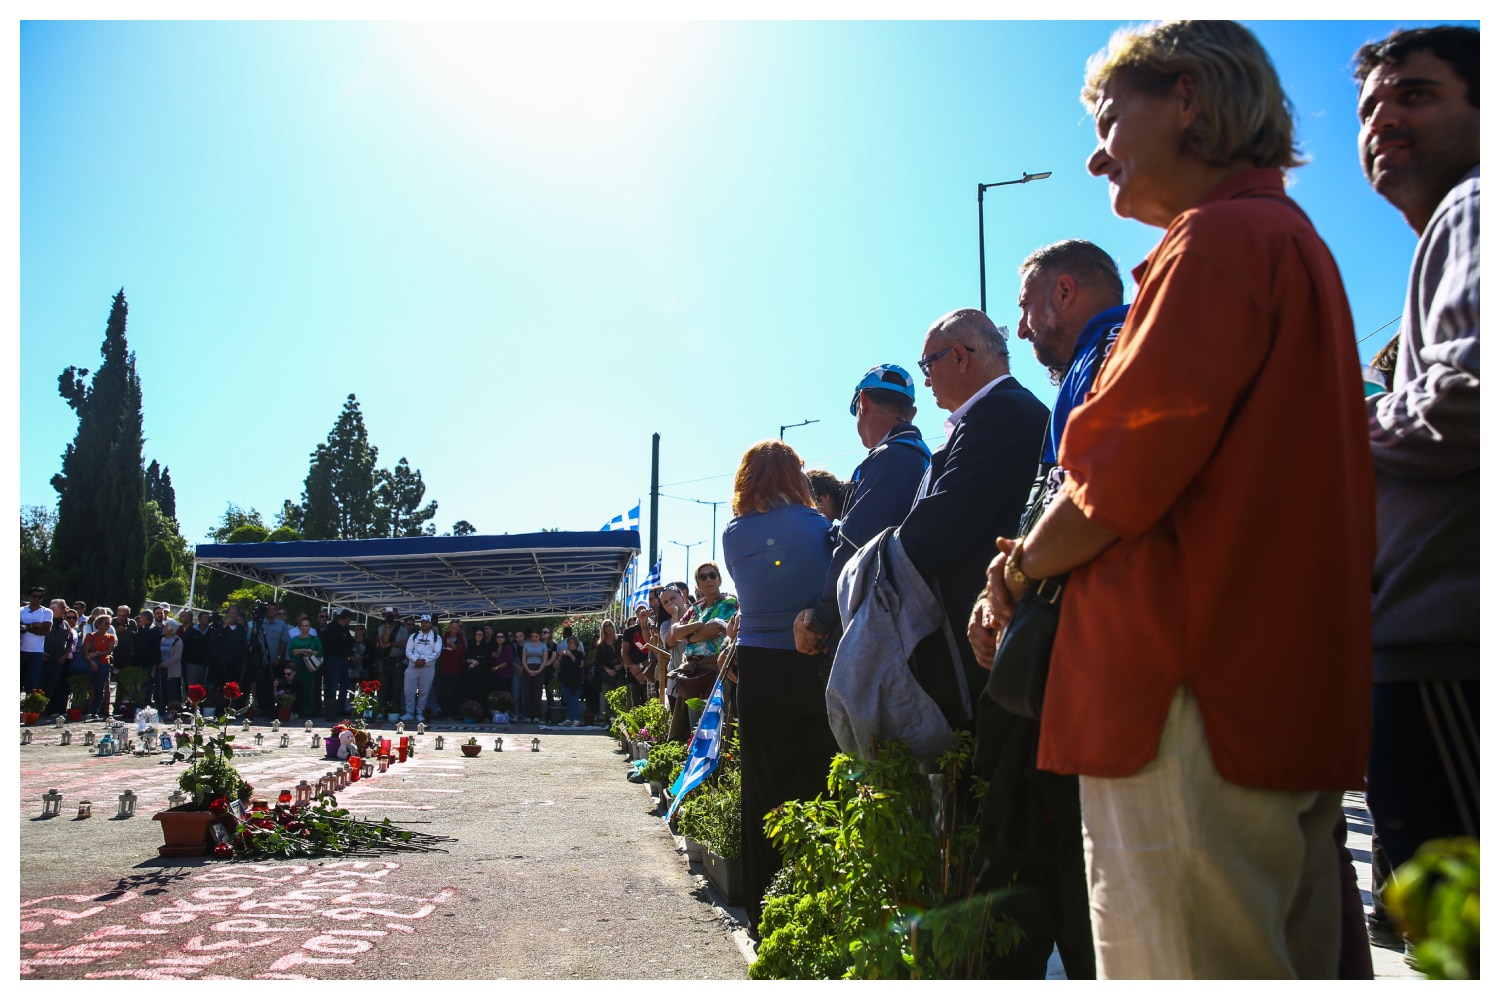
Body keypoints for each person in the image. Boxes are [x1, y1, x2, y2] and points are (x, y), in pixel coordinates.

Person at [985, 21, 1373, 979]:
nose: (1095, 149)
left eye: (1113, 117)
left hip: (1182, 703)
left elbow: (1113, 485)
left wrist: (1018, 566)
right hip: (1264, 697)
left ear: (1188, 99)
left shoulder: (1216, 243)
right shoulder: (1291, 243)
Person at [962, 238, 1128, 981]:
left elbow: (1093, 495)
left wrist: (1015, 574)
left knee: (1096, 894)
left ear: (1065, 292)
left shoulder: (1114, 349)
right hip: (1070, 672)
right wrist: (999, 582)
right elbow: (1050, 503)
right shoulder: (1088, 368)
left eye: (1026, 310)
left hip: (1107, 674)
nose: (1022, 331)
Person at [1354, 25, 1480, 875]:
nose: (1385, 121)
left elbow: (1470, 393)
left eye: (1418, 95)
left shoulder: (1473, 206)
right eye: (1370, 108)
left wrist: (1332, 436)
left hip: (1451, 645)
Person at [901, 308, 1049, 714]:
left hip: (987, 646)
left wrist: (877, 557)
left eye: (927, 364)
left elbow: (944, 524)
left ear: (960, 357)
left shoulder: (999, 412)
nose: (926, 379)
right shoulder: (1002, 410)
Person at [721, 439, 836, 936]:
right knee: (816, 784)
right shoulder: (824, 529)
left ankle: (763, 916)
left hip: (759, 666)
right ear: (796, 477)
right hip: (813, 661)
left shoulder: (732, 535)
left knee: (762, 789)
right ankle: (816, 907)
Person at [795, 364, 930, 656]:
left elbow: (855, 548)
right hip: (909, 622)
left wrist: (819, 618)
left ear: (863, 403)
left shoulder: (892, 458)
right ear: (913, 413)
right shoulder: (920, 455)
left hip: (879, 633)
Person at [400, 614, 442, 721]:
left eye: (426, 622)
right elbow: (408, 651)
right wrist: (415, 660)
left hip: (427, 667)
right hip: (413, 666)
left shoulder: (437, 637)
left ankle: (420, 712)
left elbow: (437, 653)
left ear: (431, 624)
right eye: (422, 622)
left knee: (424, 691)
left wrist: (425, 661)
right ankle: (409, 712)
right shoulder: (414, 636)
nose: (424, 624)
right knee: (409, 690)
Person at [253, 602, 289, 718]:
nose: (271, 611)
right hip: (261, 660)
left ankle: (270, 707)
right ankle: (260, 706)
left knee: (272, 684)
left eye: (274, 609)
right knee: (260, 684)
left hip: (274, 660)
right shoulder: (260, 623)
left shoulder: (281, 624)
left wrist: (279, 656)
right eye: (269, 609)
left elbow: (284, 641)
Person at [82, 612, 117, 718]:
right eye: (106, 623)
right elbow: (85, 651)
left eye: (109, 623)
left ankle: (95, 711)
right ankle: (87, 709)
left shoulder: (111, 637)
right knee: (90, 686)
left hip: (104, 664)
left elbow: (109, 650)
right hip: (91, 663)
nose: (108, 625)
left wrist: (96, 653)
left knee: (101, 687)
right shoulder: (91, 636)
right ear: (99, 624)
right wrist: (91, 661)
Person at [288, 616, 324, 719]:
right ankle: (297, 709)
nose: (304, 628)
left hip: (310, 668)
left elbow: (320, 652)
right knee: (298, 689)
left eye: (307, 626)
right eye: (303, 626)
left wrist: (310, 651)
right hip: (298, 667)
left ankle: (308, 710)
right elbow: (291, 651)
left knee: (309, 689)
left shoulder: (315, 639)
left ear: (310, 627)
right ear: (300, 627)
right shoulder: (295, 639)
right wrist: (301, 650)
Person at [373, 609, 408, 712]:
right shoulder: (381, 628)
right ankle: (381, 709)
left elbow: (403, 644)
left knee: (396, 687)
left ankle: (394, 709)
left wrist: (391, 644)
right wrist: (387, 626)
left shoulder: (402, 629)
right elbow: (383, 642)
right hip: (384, 660)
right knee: (382, 686)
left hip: (397, 660)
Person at [20, 586, 53, 694]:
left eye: (40, 597)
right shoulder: (21, 611)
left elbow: (45, 631)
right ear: (29, 597)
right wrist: (34, 626)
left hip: (36, 651)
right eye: (34, 596)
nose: (36, 599)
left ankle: (31, 709)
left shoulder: (47, 612)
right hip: (21, 649)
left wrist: (25, 627)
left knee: (33, 682)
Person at [594, 619, 625, 717]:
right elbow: (598, 661)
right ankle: (607, 719)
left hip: (621, 671)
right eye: (605, 626)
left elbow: (627, 653)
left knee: (621, 696)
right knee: (608, 697)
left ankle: (620, 719)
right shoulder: (601, 644)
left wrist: (621, 665)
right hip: (608, 673)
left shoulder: (620, 639)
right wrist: (608, 670)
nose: (608, 628)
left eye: (610, 625)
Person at [436, 620, 467, 719]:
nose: (454, 630)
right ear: (449, 628)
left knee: (455, 693)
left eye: (456, 628)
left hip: (456, 671)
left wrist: (453, 645)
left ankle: (454, 713)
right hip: (444, 670)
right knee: (443, 692)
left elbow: (461, 654)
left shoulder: (461, 639)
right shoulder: (443, 638)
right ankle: (444, 712)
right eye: (452, 628)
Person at [520, 629, 548, 723]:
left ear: (539, 636)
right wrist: (528, 670)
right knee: (528, 693)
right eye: (533, 637)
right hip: (528, 668)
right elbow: (523, 659)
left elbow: (545, 660)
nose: (534, 638)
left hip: (539, 668)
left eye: (536, 636)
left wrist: (539, 670)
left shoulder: (543, 645)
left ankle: (537, 715)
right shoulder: (526, 645)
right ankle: (528, 715)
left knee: (537, 693)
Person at [557, 636, 585, 726]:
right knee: (567, 700)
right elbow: (556, 666)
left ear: (576, 645)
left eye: (571, 643)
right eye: (568, 643)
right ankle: (568, 718)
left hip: (575, 680)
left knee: (574, 700)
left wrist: (571, 655)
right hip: (564, 680)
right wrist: (559, 657)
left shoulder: (579, 654)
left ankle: (576, 719)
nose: (569, 645)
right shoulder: (564, 655)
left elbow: (580, 664)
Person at [158, 619, 184, 708]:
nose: (163, 628)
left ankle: (174, 709)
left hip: (172, 671)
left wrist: (164, 664)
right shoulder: (162, 640)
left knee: (173, 690)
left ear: (171, 629)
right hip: (162, 670)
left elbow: (177, 656)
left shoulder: (177, 640)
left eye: (165, 627)